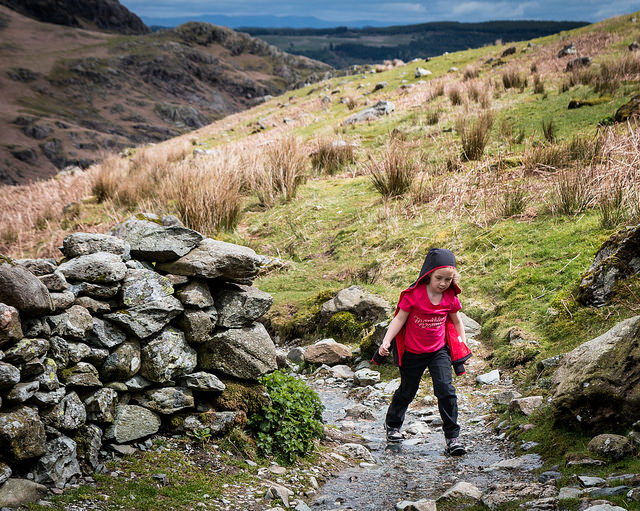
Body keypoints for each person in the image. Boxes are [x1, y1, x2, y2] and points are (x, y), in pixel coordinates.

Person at [377, 247, 469, 456]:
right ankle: (393, 426)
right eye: (439, 278)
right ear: (428, 274)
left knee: (445, 390)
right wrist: (386, 341)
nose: (444, 283)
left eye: (448, 279)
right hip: (413, 351)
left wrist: (462, 344)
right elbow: (399, 319)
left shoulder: (450, 297)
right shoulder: (414, 296)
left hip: (439, 351)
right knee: (407, 390)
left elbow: (456, 321)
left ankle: (452, 437)